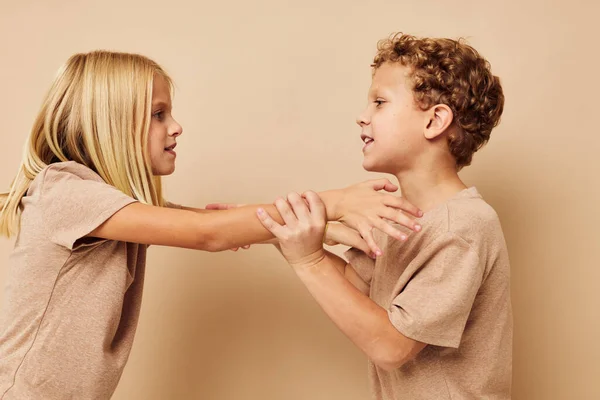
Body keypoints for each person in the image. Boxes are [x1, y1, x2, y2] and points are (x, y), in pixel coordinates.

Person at [0, 50, 423, 399]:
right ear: (109, 121)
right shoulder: (64, 190)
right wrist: (335, 202)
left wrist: (315, 226)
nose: (176, 127)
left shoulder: (110, 207)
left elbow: (209, 220)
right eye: (159, 114)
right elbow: (209, 234)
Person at [257, 33, 512, 399]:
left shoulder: (463, 227)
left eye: (379, 102)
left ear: (435, 121)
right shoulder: (396, 216)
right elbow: (352, 283)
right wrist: (277, 232)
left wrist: (309, 260)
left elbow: (392, 347)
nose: (362, 117)